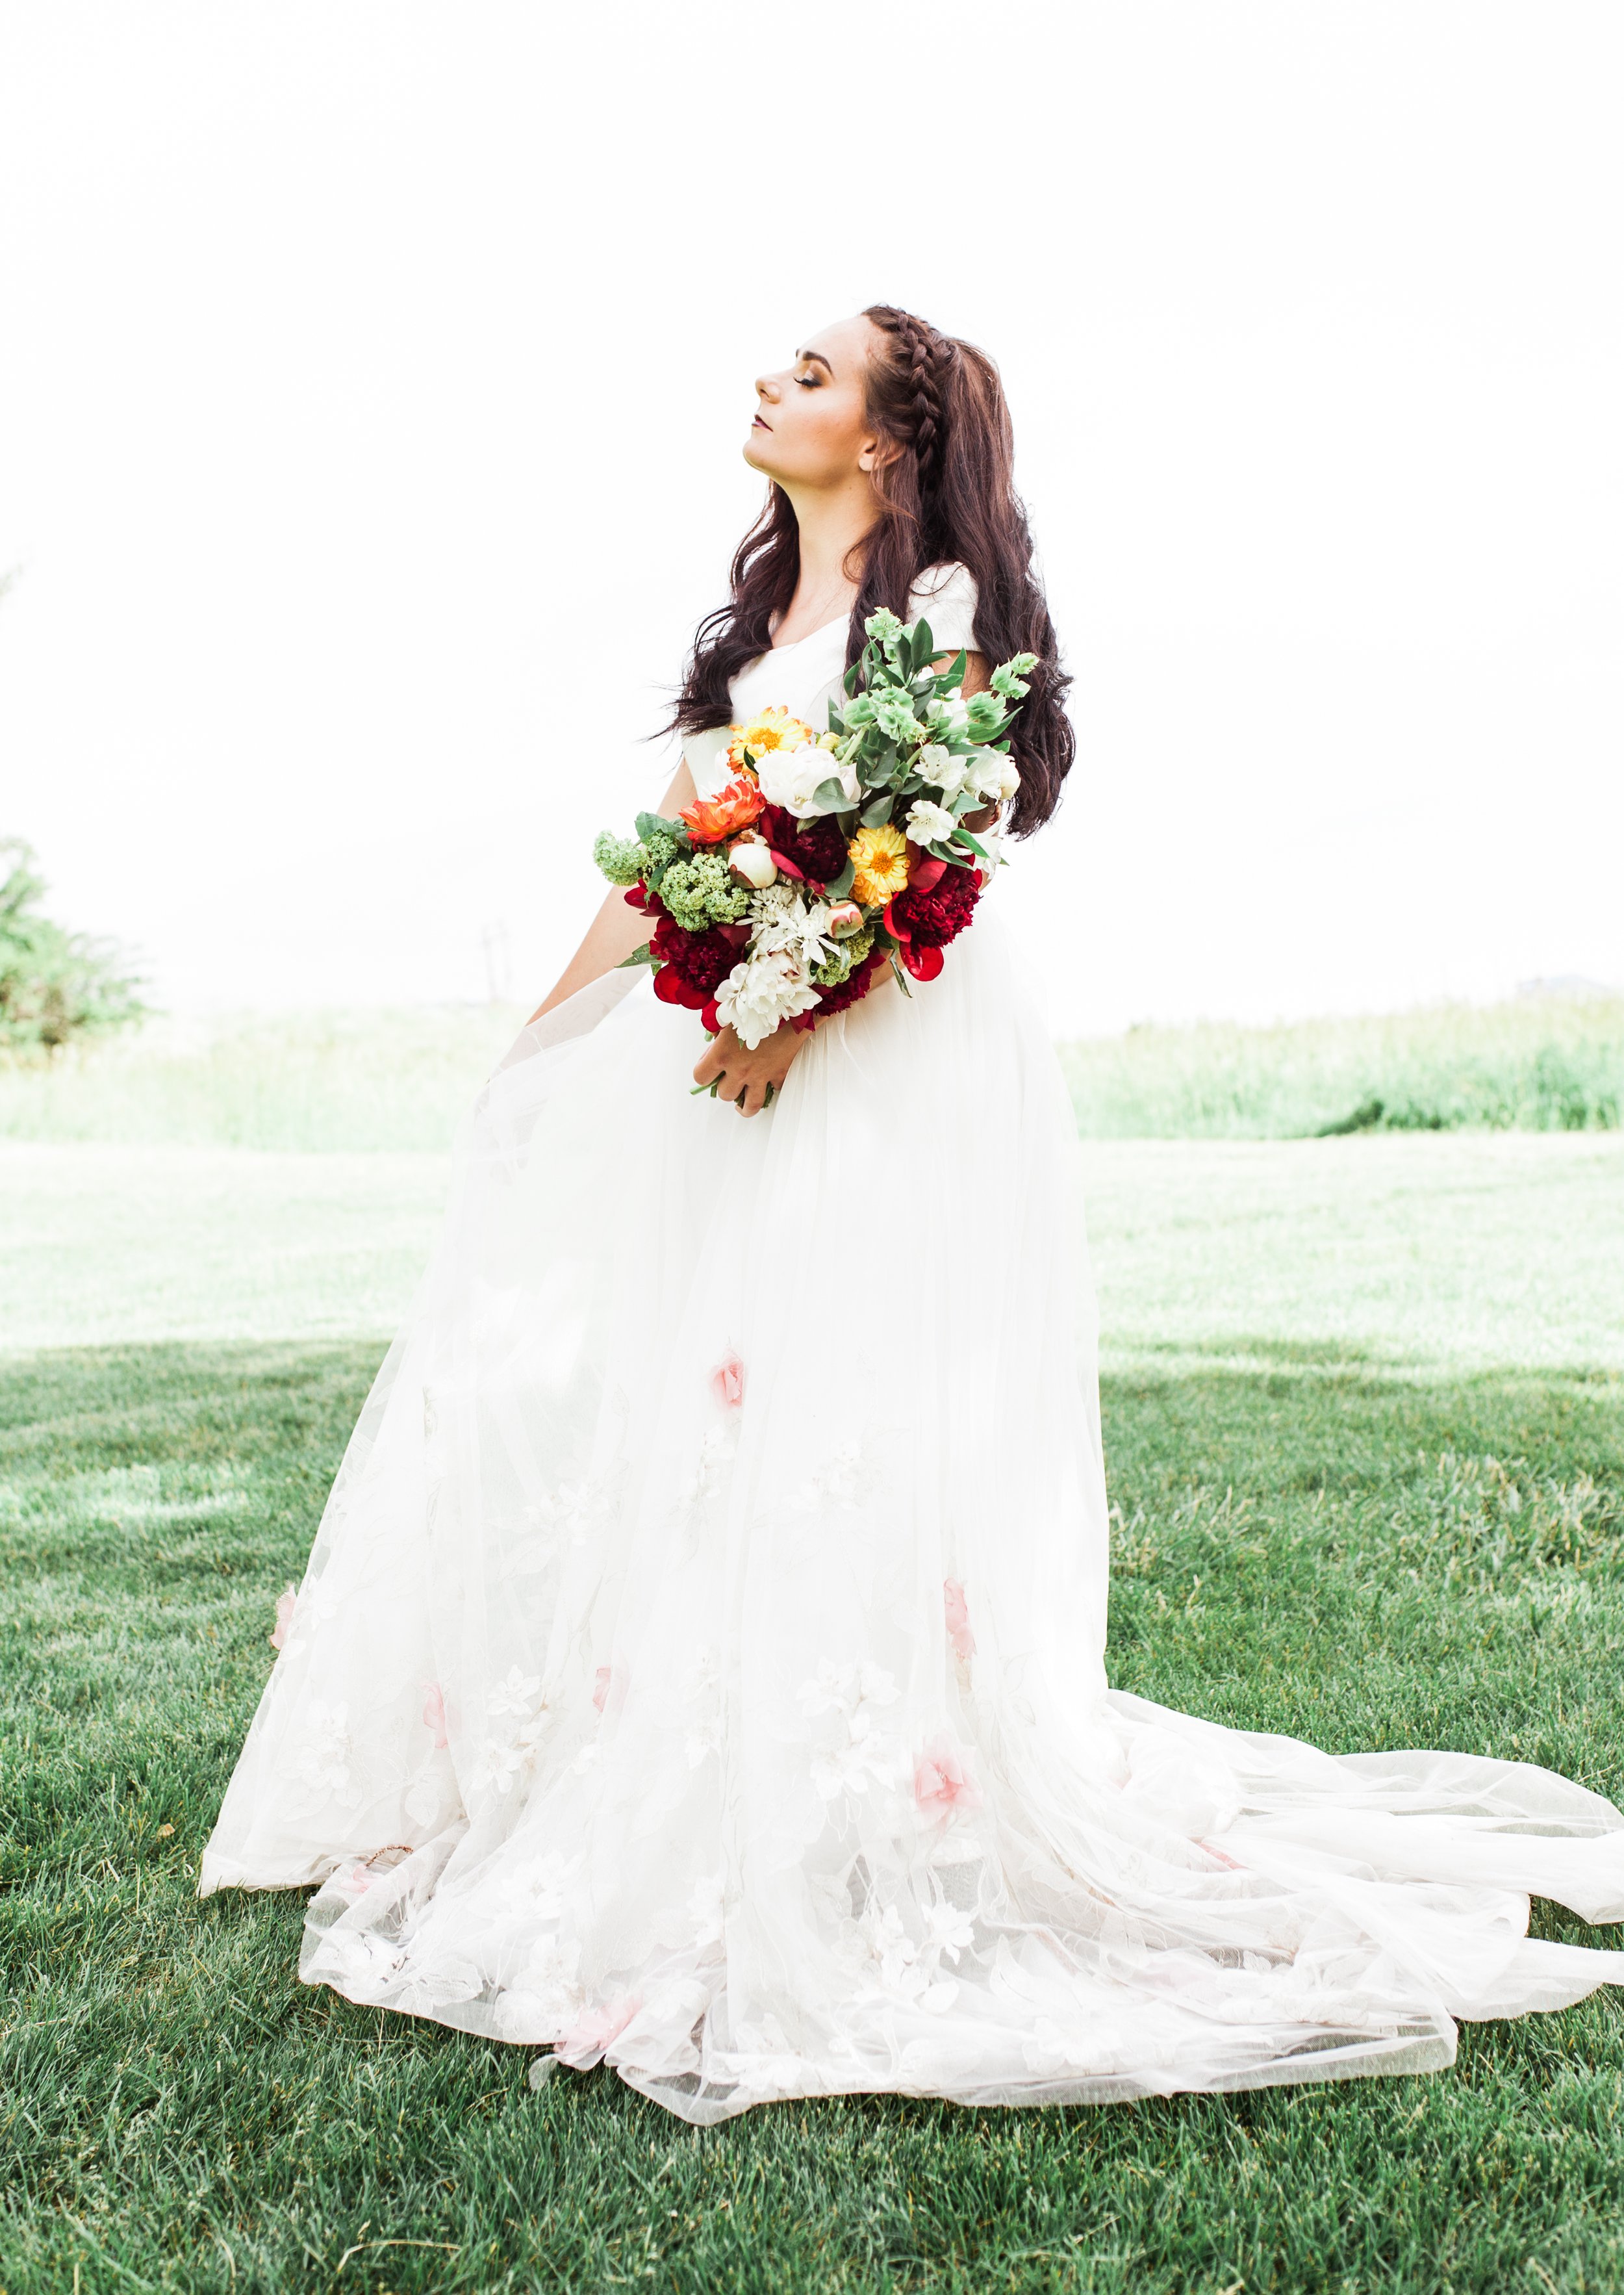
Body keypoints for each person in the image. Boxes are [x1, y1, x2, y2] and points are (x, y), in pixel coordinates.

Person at [201, 307, 1624, 2124]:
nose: (764, 383)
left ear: (885, 438)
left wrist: (796, 994)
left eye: (807, 373)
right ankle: (713, 1759)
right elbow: (671, 848)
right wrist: (536, 1044)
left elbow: (938, 841)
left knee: (838, 1401)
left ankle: (872, 1785)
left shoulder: (933, 603)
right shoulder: (756, 634)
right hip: (737, 1046)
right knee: (699, 1395)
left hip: (874, 1064)